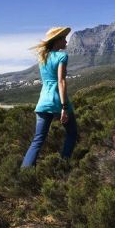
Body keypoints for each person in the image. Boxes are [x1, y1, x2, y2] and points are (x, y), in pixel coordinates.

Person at [21, 27, 77, 167]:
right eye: (64, 38)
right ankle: (63, 165)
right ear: (57, 41)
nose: (66, 42)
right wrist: (64, 107)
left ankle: (24, 175)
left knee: (38, 140)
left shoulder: (42, 58)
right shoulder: (62, 56)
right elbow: (61, 81)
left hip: (43, 101)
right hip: (58, 101)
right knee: (72, 133)